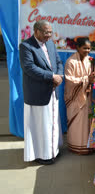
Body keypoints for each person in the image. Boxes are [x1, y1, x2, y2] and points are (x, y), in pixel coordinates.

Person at [19, 20, 63, 165]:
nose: (49, 35)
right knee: (40, 126)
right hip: (37, 94)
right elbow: (29, 68)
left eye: (50, 32)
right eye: (46, 32)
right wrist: (51, 76)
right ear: (36, 31)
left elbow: (58, 62)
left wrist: (59, 76)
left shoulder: (50, 43)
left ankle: (53, 151)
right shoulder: (26, 46)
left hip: (52, 91)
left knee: (52, 124)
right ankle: (42, 155)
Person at [64, 37, 95, 155]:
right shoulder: (71, 62)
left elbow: (90, 77)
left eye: (89, 48)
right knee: (77, 122)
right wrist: (86, 79)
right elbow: (69, 80)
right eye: (84, 48)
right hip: (75, 98)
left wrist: (92, 79)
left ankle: (87, 146)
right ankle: (76, 145)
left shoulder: (89, 60)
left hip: (86, 96)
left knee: (86, 121)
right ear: (78, 47)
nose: (87, 51)